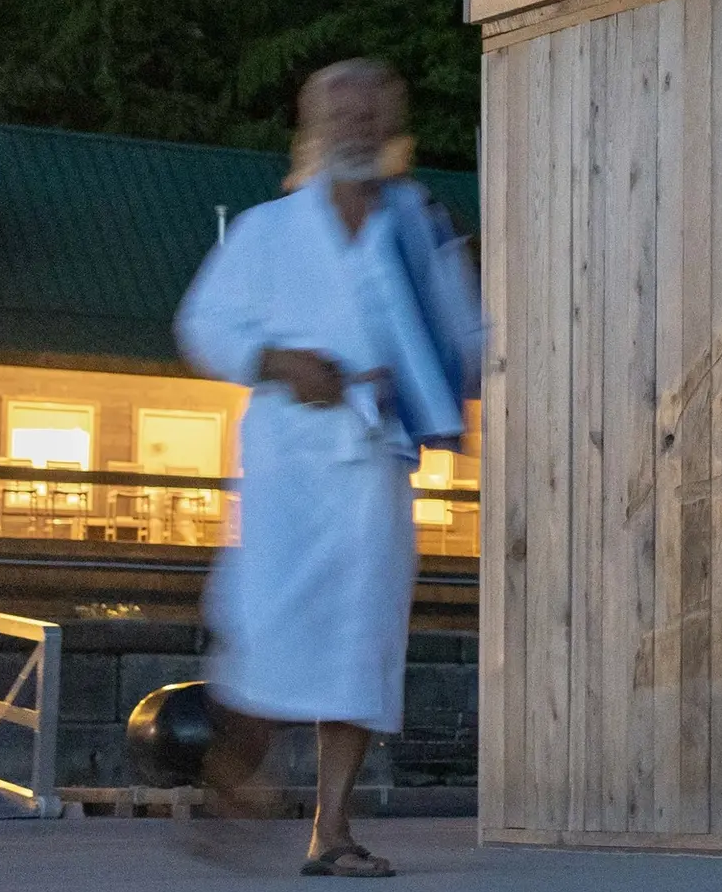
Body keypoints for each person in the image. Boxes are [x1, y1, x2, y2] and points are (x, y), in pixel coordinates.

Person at [177, 60, 483, 878]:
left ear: (391, 126)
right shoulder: (268, 231)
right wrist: (278, 360)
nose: (357, 127)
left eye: (370, 114)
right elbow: (203, 323)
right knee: (266, 627)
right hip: (288, 471)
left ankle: (333, 829)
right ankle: (238, 780)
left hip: (372, 472)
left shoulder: (421, 233)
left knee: (361, 641)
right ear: (314, 128)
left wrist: (411, 382)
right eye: (341, 115)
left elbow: (468, 345)